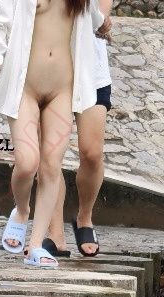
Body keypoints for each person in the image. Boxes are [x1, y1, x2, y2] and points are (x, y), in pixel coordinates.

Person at [0, 0, 105, 269]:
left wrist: (105, 23)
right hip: (25, 88)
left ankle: (36, 245)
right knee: (27, 163)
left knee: (51, 165)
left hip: (63, 90)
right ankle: (22, 210)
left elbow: (95, 18)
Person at [46, 0, 112, 258]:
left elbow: (100, 21)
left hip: (92, 73)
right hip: (51, 69)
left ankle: (84, 217)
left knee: (92, 153)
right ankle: (54, 233)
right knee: (50, 154)